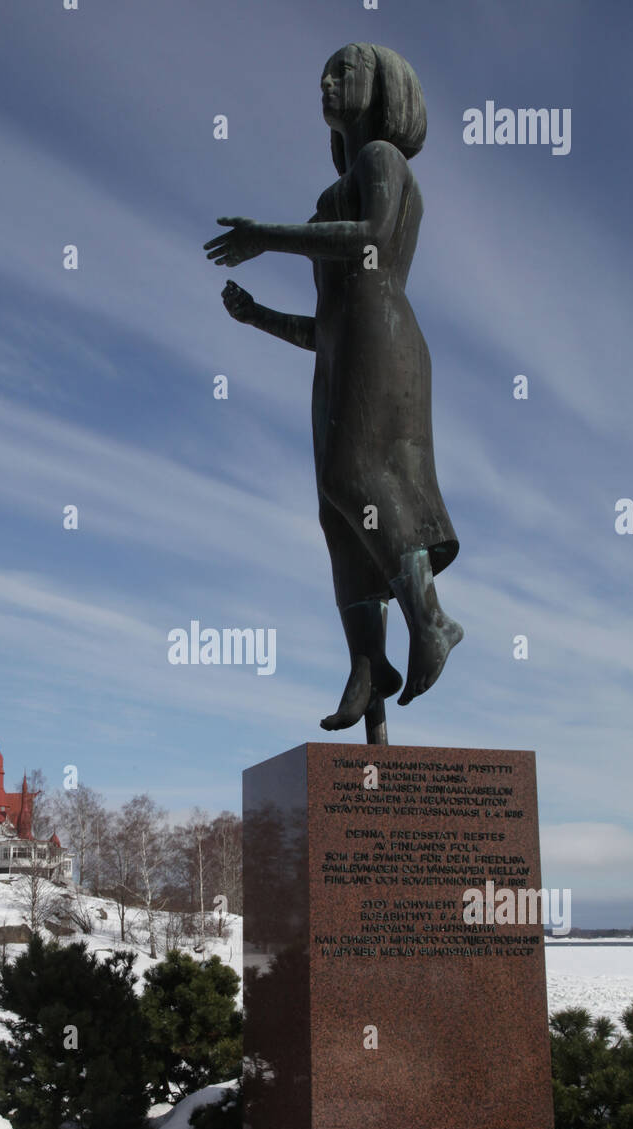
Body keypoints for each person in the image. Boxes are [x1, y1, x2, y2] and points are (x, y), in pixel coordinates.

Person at [205, 43, 462, 733]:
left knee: (357, 478)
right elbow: (323, 326)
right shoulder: (327, 196)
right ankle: (367, 664)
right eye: (323, 70)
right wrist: (256, 315)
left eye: (342, 71)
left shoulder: (384, 159)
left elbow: (374, 239)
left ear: (380, 89)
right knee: (337, 516)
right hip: (343, 351)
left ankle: (429, 618)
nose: (325, 80)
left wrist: (267, 234)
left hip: (384, 339)